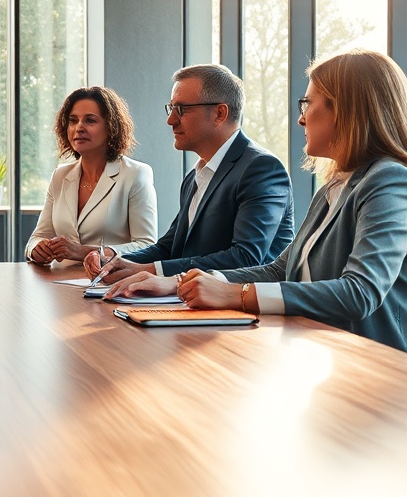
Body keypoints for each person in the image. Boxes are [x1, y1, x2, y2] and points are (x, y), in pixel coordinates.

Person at [108, 50, 407, 352]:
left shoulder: (388, 180)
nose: (301, 118)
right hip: (320, 351)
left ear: (345, 110)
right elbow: (278, 270)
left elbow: (359, 293)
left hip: (372, 362)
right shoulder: (334, 187)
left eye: (307, 103)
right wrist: (179, 283)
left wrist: (236, 294)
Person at [85, 64, 294, 284]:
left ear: (219, 114)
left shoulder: (262, 169)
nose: (171, 120)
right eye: (171, 108)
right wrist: (114, 260)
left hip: (240, 303)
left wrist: (151, 270)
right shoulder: (196, 175)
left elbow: (246, 258)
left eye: (181, 109)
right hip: (189, 297)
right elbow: (169, 247)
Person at [26, 86, 157, 267]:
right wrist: (37, 250)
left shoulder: (135, 174)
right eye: (73, 121)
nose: (79, 127)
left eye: (90, 120)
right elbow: (38, 237)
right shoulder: (60, 176)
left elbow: (146, 245)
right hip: (57, 281)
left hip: (108, 280)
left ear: (111, 126)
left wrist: (83, 252)